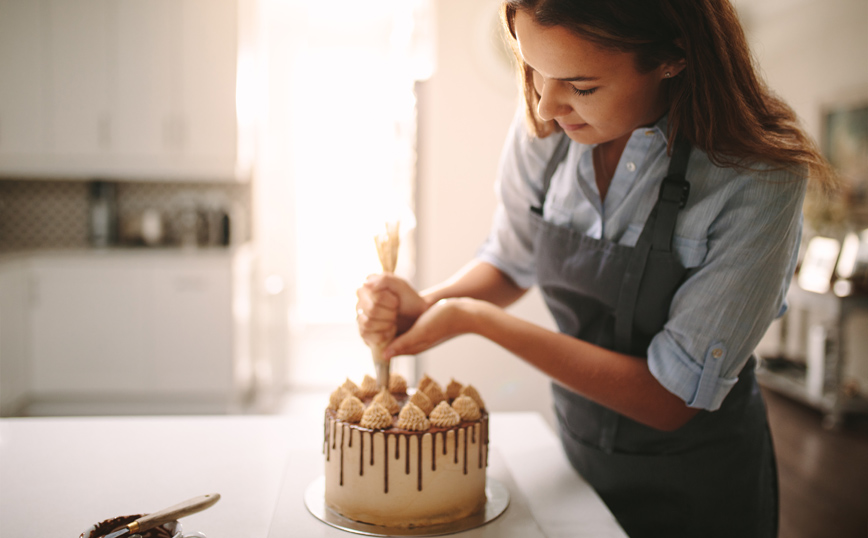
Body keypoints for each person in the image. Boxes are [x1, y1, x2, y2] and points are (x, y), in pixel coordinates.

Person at [355, 1, 835, 537]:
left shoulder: (758, 175)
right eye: (532, 68)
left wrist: (474, 319)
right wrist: (427, 303)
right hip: (578, 451)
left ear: (673, 57)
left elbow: (671, 397)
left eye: (581, 87)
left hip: (697, 483)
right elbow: (510, 261)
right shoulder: (546, 122)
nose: (543, 106)